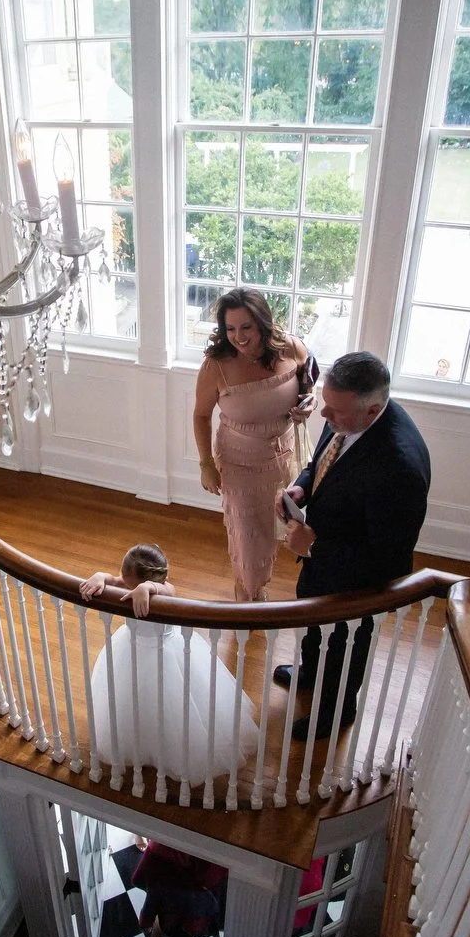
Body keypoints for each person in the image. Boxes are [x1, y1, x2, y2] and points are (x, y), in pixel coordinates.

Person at [272, 352, 431, 740]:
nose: (324, 414)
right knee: (313, 626)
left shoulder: (400, 468)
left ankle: (335, 711)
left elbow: (387, 562)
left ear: (373, 409)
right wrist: (303, 487)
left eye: (335, 410)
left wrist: (314, 547)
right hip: (321, 568)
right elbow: (324, 460)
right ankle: (310, 674)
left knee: (343, 649)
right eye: (326, 402)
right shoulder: (348, 413)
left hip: (355, 587)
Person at [80, 545, 259, 783]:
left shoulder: (162, 590)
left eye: (131, 583)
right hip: (131, 650)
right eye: (126, 580)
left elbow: (169, 589)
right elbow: (112, 579)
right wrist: (100, 576)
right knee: (134, 699)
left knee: (170, 703)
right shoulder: (126, 581)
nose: (124, 584)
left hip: (168, 655)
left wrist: (148, 588)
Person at [193, 288, 314, 602]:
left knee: (273, 527)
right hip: (239, 464)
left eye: (246, 327)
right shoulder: (215, 366)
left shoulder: (291, 347)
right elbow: (201, 415)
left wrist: (309, 400)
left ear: (262, 322)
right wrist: (206, 464)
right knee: (248, 537)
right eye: (230, 329)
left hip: (285, 457)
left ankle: (256, 585)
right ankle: (248, 596)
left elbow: (309, 377)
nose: (239, 337)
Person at [132, 841, 228, 937]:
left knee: (193, 926)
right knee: (166, 914)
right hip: (174, 893)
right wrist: (147, 917)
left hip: (203, 898)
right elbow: (154, 892)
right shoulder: (164, 849)